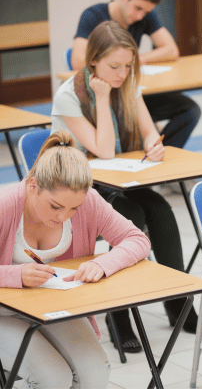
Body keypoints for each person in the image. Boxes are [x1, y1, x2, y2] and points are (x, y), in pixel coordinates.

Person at [51, 21, 202, 355]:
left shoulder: (128, 83)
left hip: (120, 179)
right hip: (80, 188)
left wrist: (155, 144)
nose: (122, 74)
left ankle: (178, 303)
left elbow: (150, 130)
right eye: (114, 67)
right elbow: (104, 150)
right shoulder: (68, 95)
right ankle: (119, 315)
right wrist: (105, 98)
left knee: (162, 211)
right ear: (92, 62)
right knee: (133, 214)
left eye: (127, 66)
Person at [0, 130, 151, 388]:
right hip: (4, 312)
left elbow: (137, 239)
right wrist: (16, 275)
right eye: (55, 206)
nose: (63, 217)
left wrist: (102, 264)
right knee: (53, 378)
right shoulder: (6, 206)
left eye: (74, 209)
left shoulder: (88, 201)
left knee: (96, 373)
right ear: (33, 185)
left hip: (52, 306)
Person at [71, 0, 200, 149]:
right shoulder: (93, 16)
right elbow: (77, 60)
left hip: (130, 89)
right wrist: (109, 66)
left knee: (190, 110)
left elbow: (171, 50)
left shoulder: (145, 15)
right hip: (103, 93)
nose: (140, 16)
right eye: (138, 8)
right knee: (137, 126)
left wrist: (135, 60)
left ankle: (158, 152)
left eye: (146, 12)